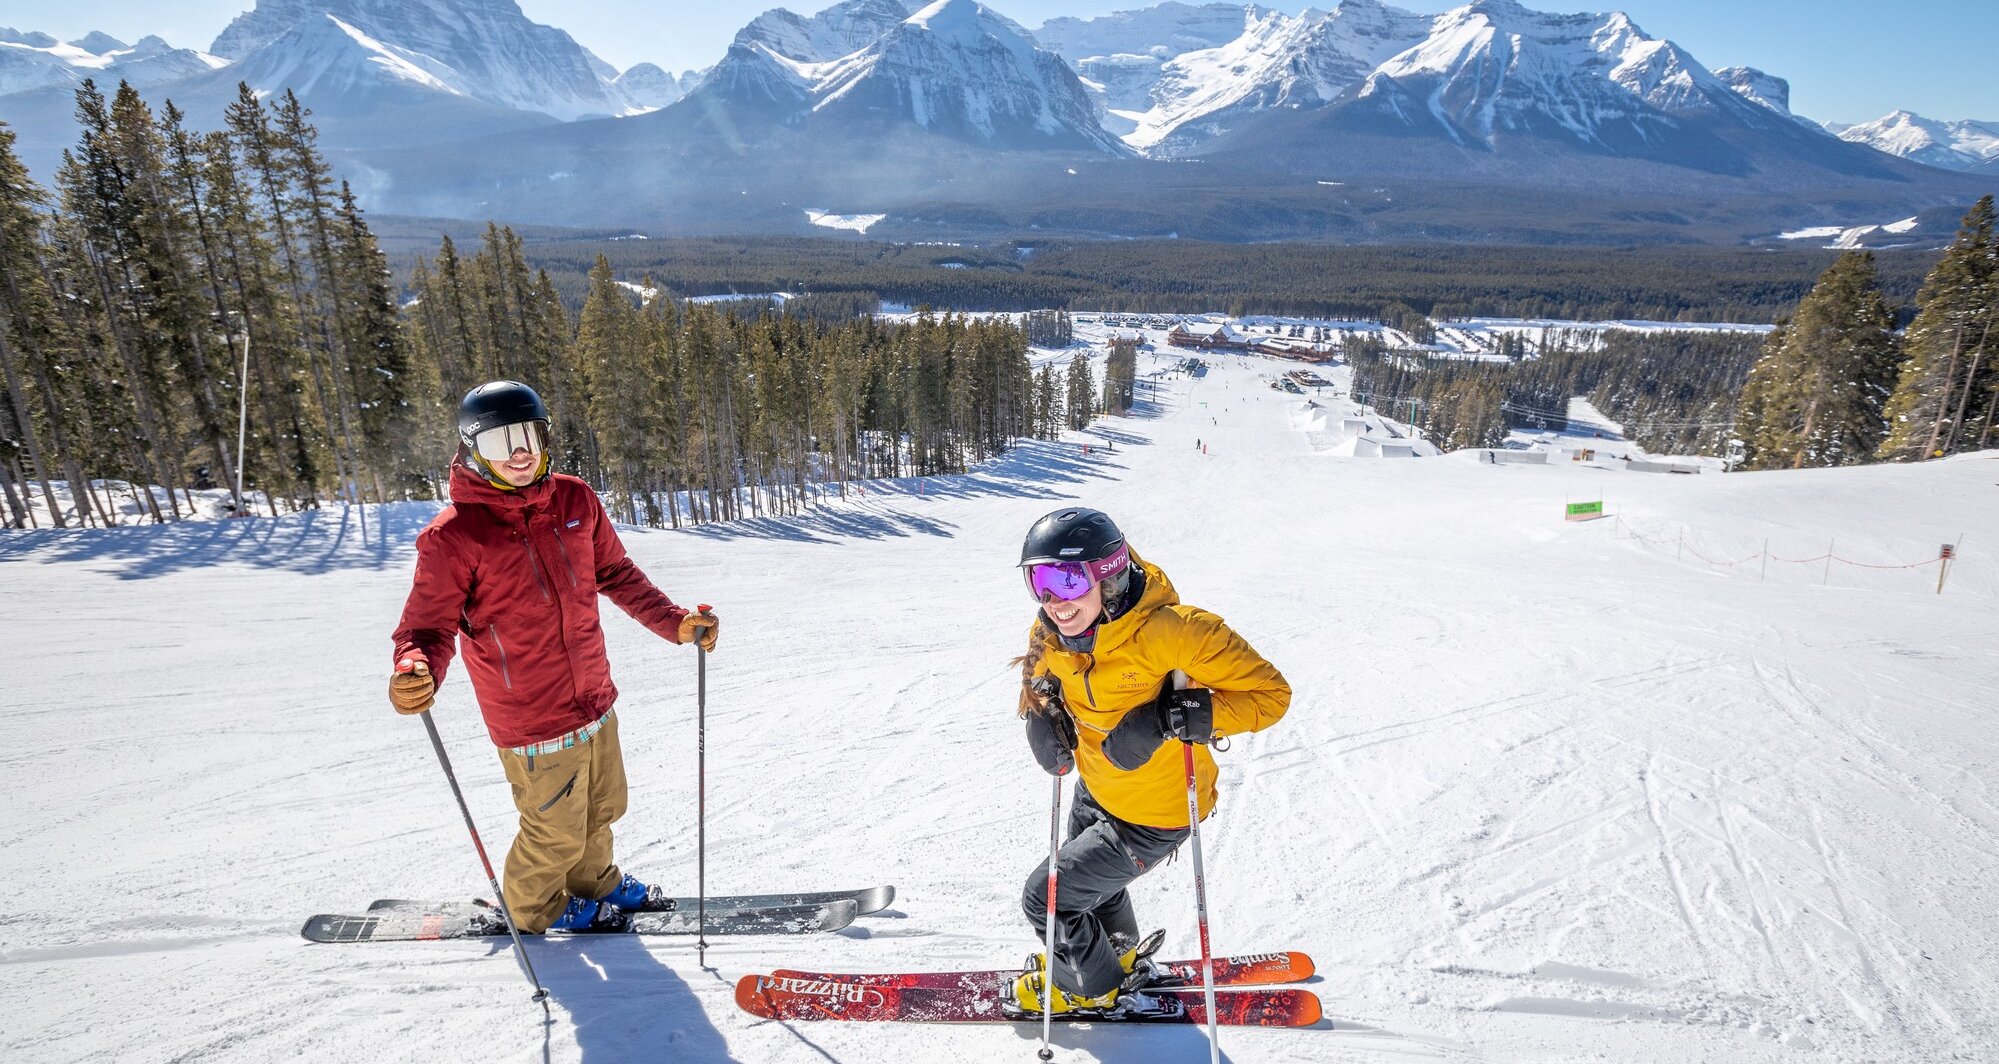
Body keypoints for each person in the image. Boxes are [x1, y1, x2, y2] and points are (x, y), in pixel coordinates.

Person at [388, 381, 718, 933]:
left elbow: (615, 573)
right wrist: (413, 669)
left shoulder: (574, 499)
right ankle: (533, 907)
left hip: (592, 696)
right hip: (531, 715)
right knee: (554, 829)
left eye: (528, 436)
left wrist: (675, 623)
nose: (518, 453)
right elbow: (426, 627)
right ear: (473, 450)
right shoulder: (455, 536)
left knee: (602, 807)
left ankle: (596, 883)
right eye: (499, 442)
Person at [1007, 507, 1290, 1014]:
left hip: (1156, 813)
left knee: (1046, 898)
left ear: (1108, 575)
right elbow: (1039, 676)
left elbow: (1270, 696)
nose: (1053, 600)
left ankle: (1086, 989)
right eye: (1039, 580)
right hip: (1097, 790)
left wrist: (1170, 717)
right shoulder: (1052, 628)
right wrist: (1040, 711)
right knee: (1088, 890)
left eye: (1068, 579)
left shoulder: (1177, 632)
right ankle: (1117, 956)